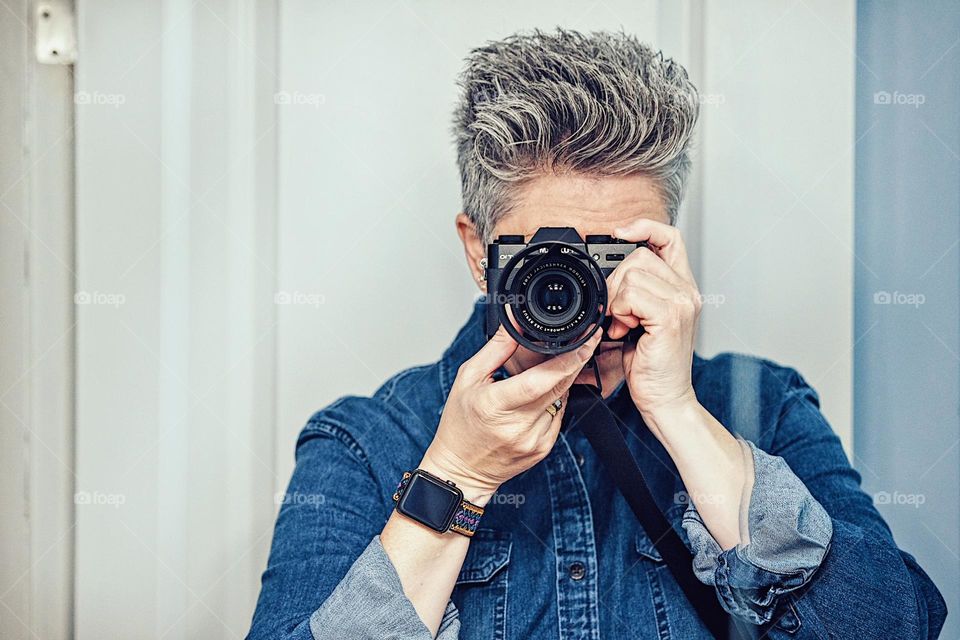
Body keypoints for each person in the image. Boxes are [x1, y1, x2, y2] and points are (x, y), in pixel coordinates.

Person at [247, 29, 946, 640]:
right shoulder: (367, 443)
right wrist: (456, 476)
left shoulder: (763, 407)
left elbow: (894, 626)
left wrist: (679, 415)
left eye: (611, 258)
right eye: (546, 259)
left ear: (665, 249)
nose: (576, 288)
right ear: (476, 250)